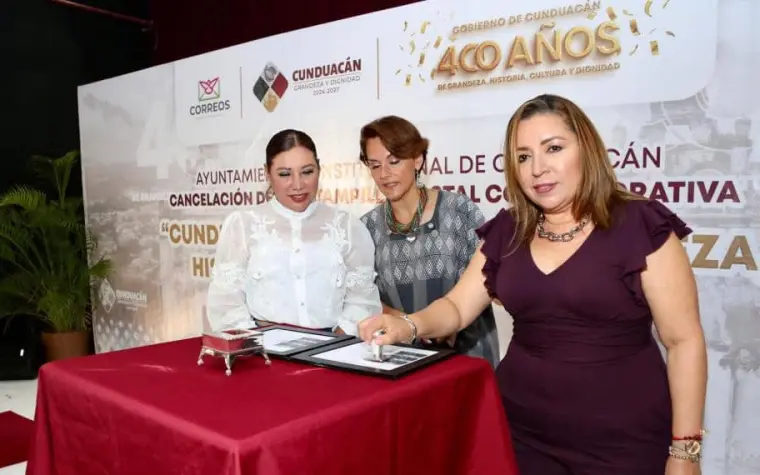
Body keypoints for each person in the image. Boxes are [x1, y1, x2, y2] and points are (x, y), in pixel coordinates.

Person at [358, 95, 708, 475]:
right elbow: (457, 308)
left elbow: (683, 342)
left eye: (553, 148)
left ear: (586, 149)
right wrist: (408, 325)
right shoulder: (508, 231)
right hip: (519, 435)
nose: (538, 169)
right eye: (523, 157)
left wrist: (685, 452)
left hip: (623, 442)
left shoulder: (640, 225)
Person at [206, 129, 382, 335]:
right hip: (263, 346)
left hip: (334, 345)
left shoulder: (347, 226)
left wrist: (336, 342)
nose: (298, 185)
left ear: (319, 169)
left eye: (307, 172)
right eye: (285, 174)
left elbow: (362, 299)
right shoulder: (242, 225)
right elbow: (226, 302)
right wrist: (253, 344)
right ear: (267, 173)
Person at [358, 115, 500, 368]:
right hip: (401, 360)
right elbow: (363, 294)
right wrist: (410, 325)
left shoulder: (460, 211)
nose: (384, 174)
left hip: (468, 356)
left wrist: (440, 324)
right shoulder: (366, 228)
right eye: (375, 165)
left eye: (394, 161)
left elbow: (487, 281)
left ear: (418, 159)